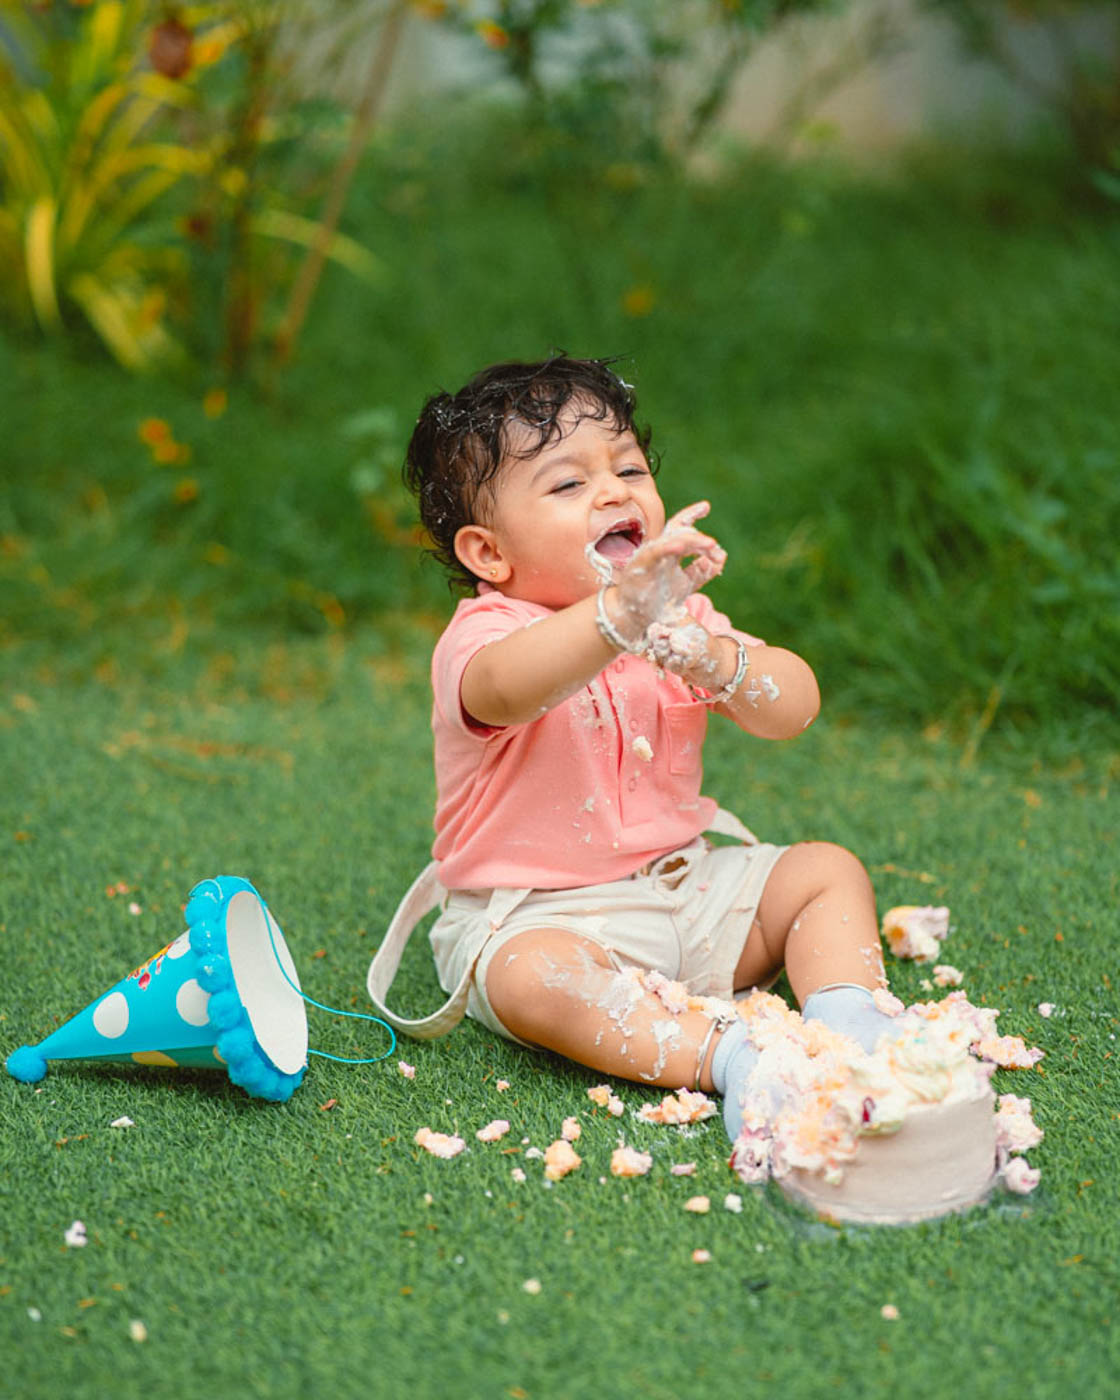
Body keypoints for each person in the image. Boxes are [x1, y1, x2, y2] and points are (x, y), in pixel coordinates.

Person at [369, 354, 902, 1144]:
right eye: (567, 484)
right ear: (490, 554)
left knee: (826, 872)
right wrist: (616, 618)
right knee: (531, 980)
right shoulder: (486, 637)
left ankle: (851, 1023)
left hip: (686, 892)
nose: (615, 491)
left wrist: (710, 656)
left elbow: (793, 708)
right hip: (544, 918)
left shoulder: (677, 619)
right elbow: (507, 690)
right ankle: (734, 1055)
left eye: (628, 467)